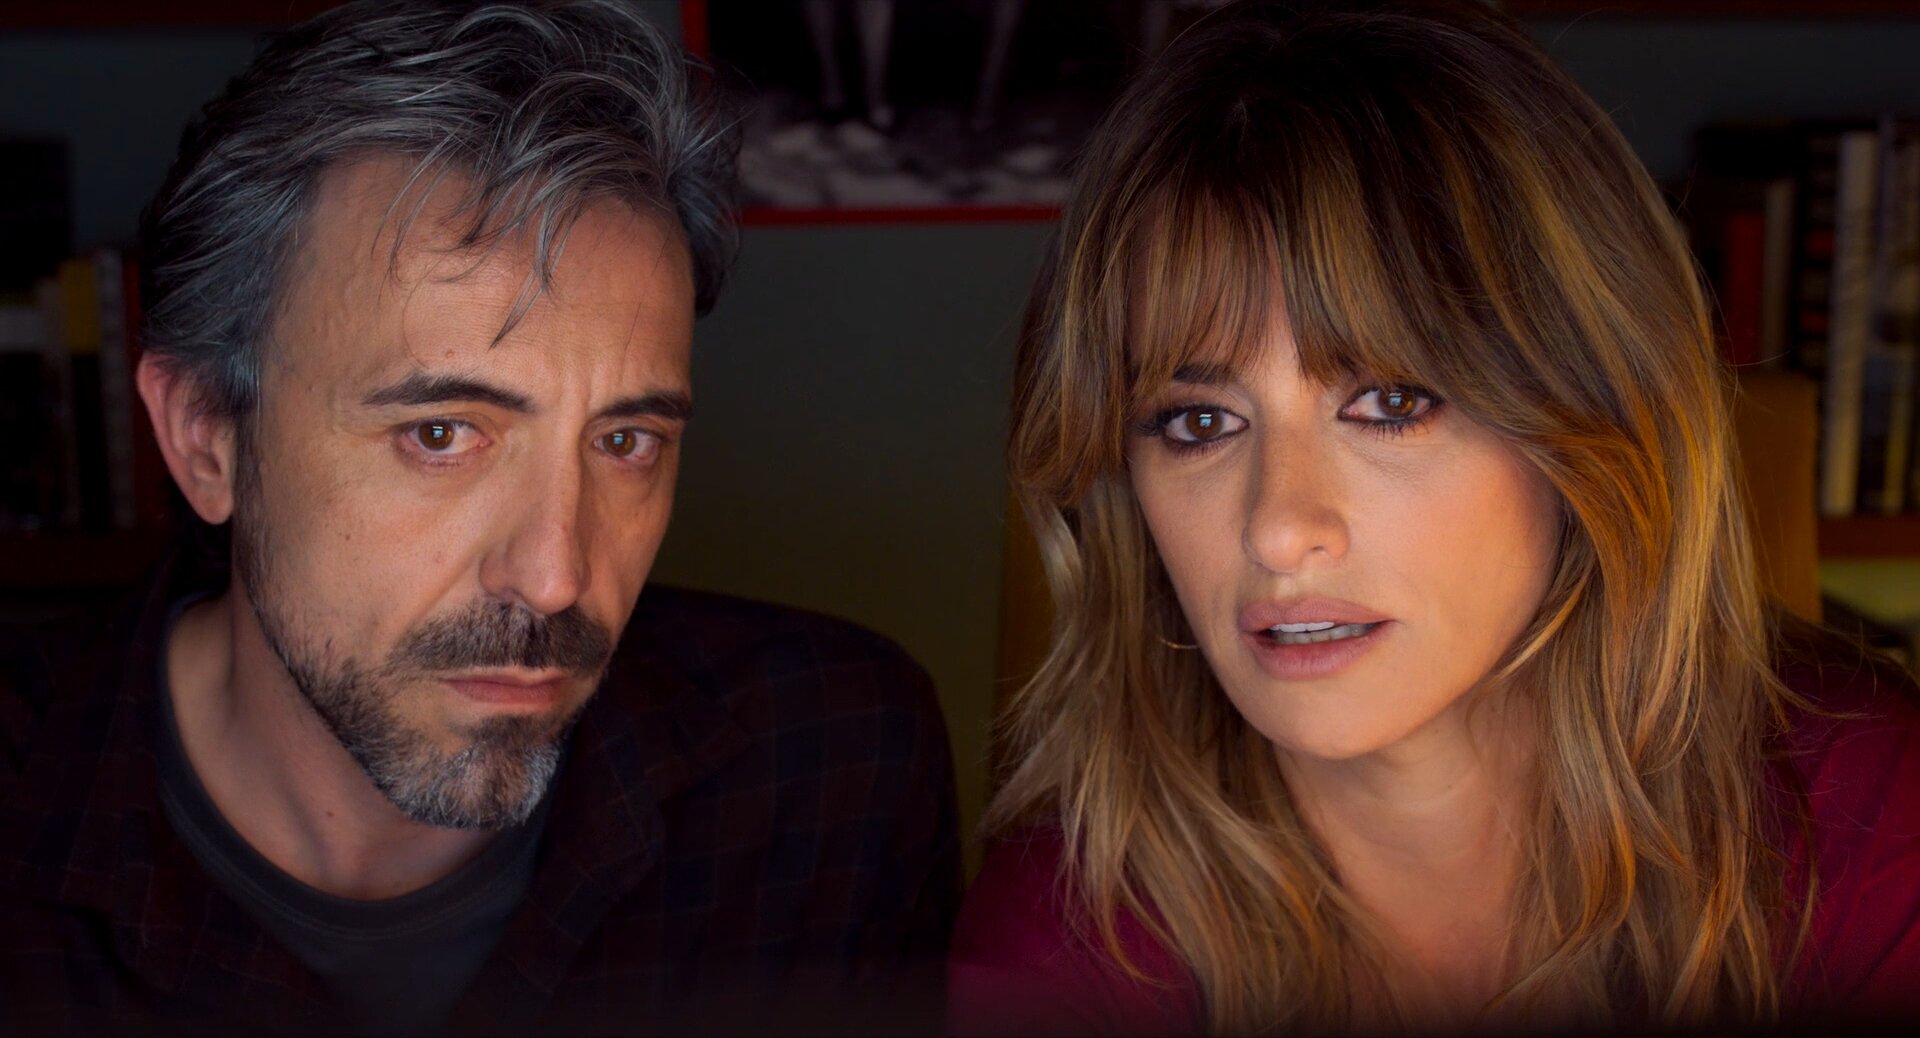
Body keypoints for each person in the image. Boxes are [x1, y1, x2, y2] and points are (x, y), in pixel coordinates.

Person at [950, 1, 1920, 1034]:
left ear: (1590, 421)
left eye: (1391, 403)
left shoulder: (1866, 825)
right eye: (1199, 422)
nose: (1278, 530)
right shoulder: (1067, 939)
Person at [0, 2, 958, 1034]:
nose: (553, 577)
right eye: (441, 434)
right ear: (205, 437)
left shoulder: (830, 770)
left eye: (625, 441)